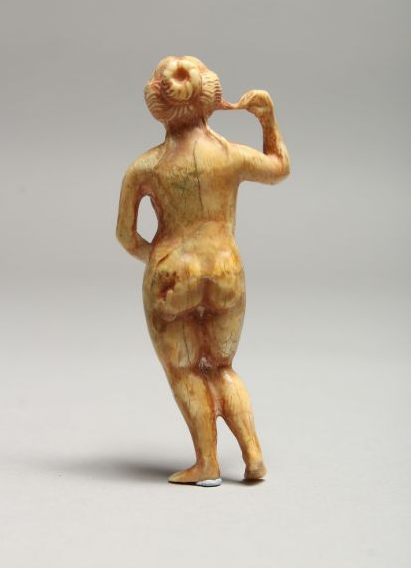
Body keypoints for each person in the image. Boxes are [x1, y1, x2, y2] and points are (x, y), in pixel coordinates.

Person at [116, 56, 290, 486]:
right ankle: (253, 456)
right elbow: (279, 168)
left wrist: (159, 260)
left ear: (158, 102)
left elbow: (126, 236)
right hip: (226, 272)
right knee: (222, 368)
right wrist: (267, 120)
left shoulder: (146, 167)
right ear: (210, 96)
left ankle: (207, 463)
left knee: (185, 371)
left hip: (173, 274)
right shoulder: (229, 155)